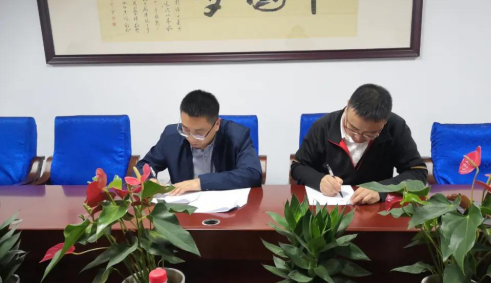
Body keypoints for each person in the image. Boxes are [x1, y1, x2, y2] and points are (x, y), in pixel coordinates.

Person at [290, 84, 427, 205]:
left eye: (370, 134)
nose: (358, 138)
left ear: (385, 121)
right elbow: (298, 166)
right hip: (330, 209)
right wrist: (319, 180)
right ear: (348, 105)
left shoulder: (396, 127)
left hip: (376, 210)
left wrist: (382, 189)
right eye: (352, 128)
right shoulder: (323, 127)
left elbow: (417, 172)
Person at [136, 90, 262, 195]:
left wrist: (200, 183)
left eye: (199, 133)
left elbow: (253, 173)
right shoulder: (171, 136)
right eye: (185, 130)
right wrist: (149, 180)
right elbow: (142, 166)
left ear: (217, 124)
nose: (191, 138)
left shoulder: (237, 135)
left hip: (227, 209)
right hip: (184, 208)